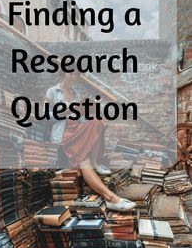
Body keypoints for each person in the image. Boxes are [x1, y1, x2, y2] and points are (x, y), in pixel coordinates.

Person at [44, 73, 136, 211]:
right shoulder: (52, 92)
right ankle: (111, 198)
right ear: (64, 73)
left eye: (76, 75)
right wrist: (67, 111)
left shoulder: (76, 93)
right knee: (83, 160)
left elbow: (81, 116)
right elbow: (45, 116)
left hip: (77, 129)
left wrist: (89, 108)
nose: (74, 77)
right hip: (65, 134)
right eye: (71, 73)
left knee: (96, 121)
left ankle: (95, 162)